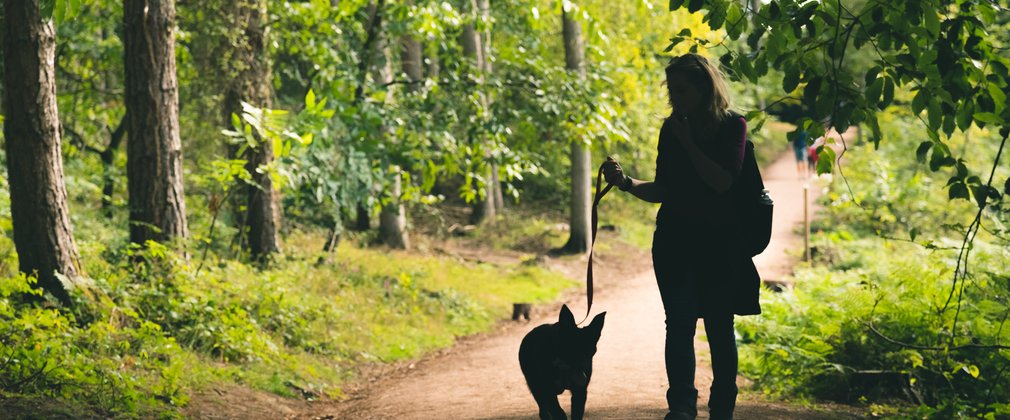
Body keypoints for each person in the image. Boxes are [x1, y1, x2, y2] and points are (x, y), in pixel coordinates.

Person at [602, 53, 761, 420]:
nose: (675, 98)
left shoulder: (733, 126)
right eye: (671, 91)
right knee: (679, 324)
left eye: (682, 90)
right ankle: (682, 409)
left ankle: (722, 408)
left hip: (720, 244)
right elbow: (664, 189)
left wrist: (689, 143)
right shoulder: (671, 129)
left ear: (705, 88)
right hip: (674, 241)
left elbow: (723, 181)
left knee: (720, 325)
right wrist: (626, 183)